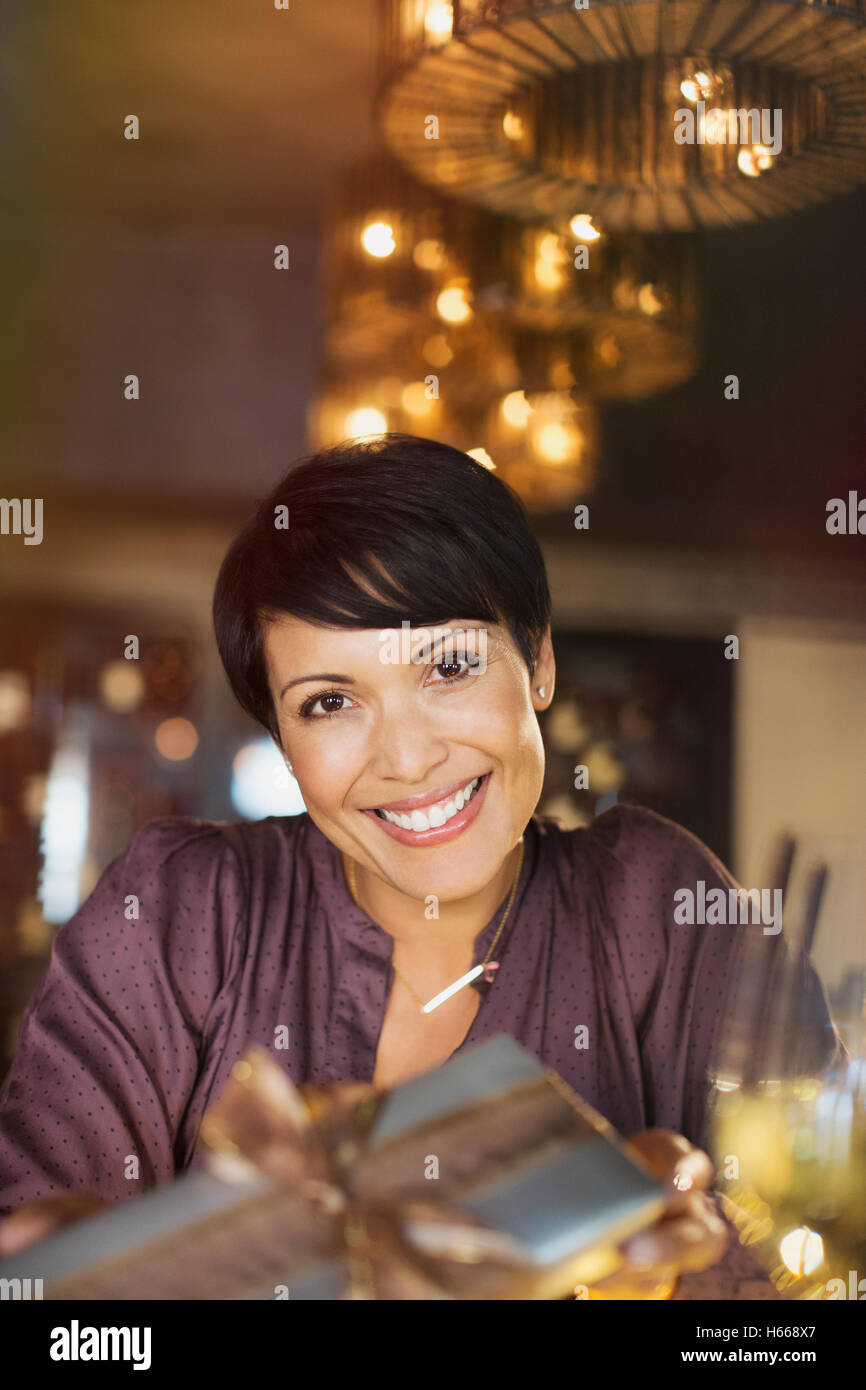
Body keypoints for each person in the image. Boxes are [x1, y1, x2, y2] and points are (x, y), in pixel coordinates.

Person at [0, 435, 836, 1296]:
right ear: (284, 745)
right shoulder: (179, 912)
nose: (405, 758)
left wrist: (690, 1276)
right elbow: (47, 1287)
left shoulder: (659, 909)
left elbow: (805, 1280)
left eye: (448, 666)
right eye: (329, 702)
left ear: (539, 662)